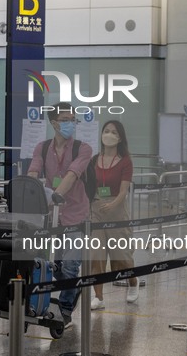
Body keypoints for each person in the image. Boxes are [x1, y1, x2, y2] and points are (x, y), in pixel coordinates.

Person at [27, 102, 92, 328]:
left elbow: (73, 175)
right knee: (50, 265)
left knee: (70, 266)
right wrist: (31, 187)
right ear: (54, 123)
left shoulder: (83, 148)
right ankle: (73, 288)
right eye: (65, 120)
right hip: (51, 217)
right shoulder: (42, 148)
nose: (70, 124)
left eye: (72, 120)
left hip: (76, 214)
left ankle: (65, 308)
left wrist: (56, 195)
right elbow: (34, 171)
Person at [89, 120, 138, 310]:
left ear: (120, 138)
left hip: (117, 211)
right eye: (106, 131)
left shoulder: (125, 161)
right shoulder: (94, 160)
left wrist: (112, 204)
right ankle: (98, 296)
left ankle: (132, 283)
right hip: (96, 211)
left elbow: (124, 191)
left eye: (114, 132)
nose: (109, 135)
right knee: (96, 256)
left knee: (122, 257)